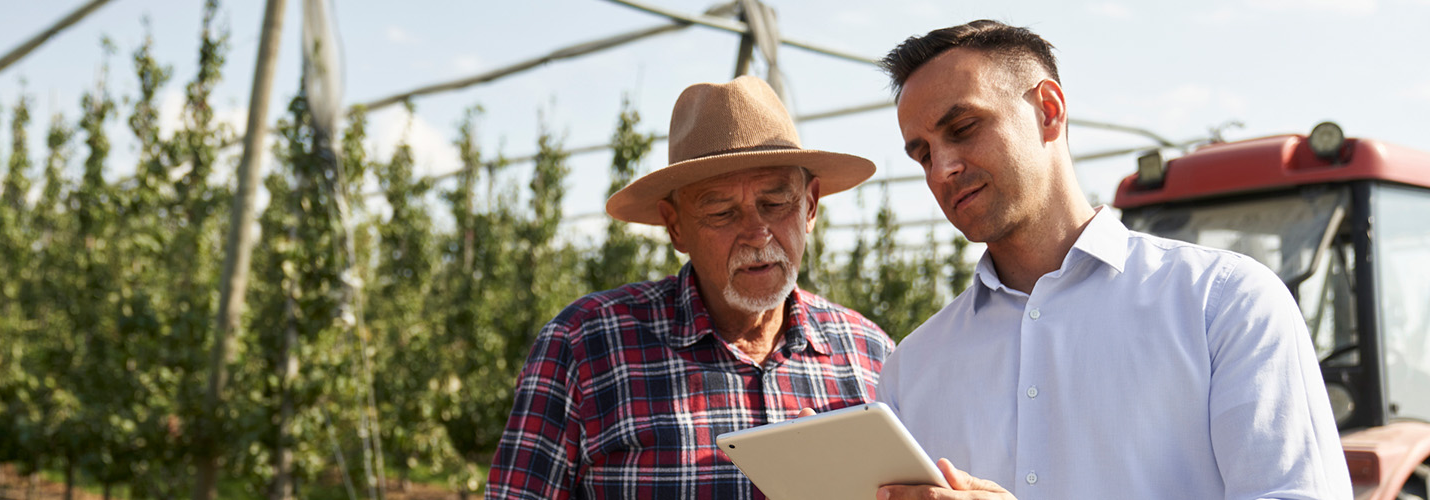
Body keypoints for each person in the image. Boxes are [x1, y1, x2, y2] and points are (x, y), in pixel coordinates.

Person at [871, 20, 1352, 500]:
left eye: (963, 128)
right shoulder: (909, 371)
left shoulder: (1224, 305)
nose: (943, 169)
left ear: (1049, 110)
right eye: (923, 155)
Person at [485, 76, 896, 499]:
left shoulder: (871, 356)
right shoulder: (585, 347)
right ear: (675, 225)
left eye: (775, 204)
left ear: (810, 206)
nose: (757, 234)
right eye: (721, 212)